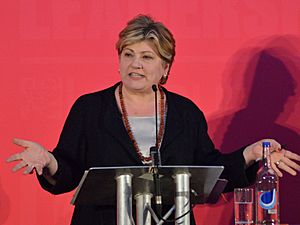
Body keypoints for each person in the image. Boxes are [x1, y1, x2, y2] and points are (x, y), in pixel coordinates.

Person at [7, 14, 300, 225]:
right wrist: (48, 161)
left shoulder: (185, 112)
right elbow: (67, 172)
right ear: (119, 59)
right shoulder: (89, 108)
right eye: (128, 54)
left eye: (147, 57)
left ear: (165, 66)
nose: (135, 64)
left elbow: (209, 172)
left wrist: (249, 154)